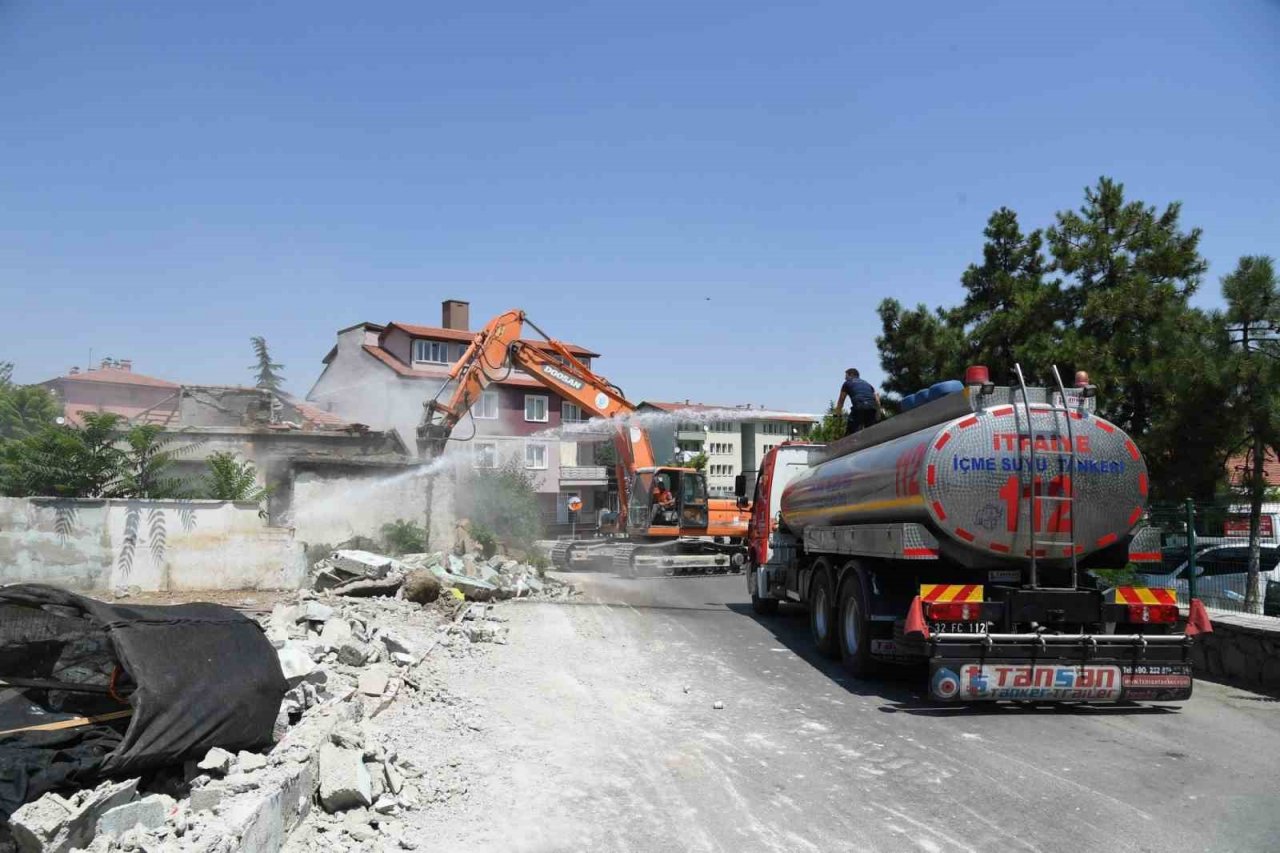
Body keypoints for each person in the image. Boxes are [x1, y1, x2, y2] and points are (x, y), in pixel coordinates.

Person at [836, 368, 880, 436]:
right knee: (871, 434)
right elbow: (877, 399)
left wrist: (838, 413)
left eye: (846, 376)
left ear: (851, 375)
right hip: (872, 408)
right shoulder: (868, 384)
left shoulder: (847, 383)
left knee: (851, 435)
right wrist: (878, 414)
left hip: (859, 407)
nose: (845, 378)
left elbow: (841, 400)